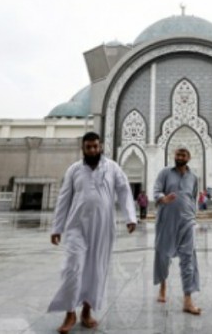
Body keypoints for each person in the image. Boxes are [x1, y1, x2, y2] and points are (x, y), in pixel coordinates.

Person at [47, 132, 137, 334]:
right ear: (83, 148)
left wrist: (130, 217)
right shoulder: (74, 170)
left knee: (96, 270)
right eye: (89, 147)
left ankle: (86, 311)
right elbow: (64, 199)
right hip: (76, 227)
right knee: (72, 268)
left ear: (101, 146)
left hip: (103, 228)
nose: (93, 150)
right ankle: (70, 313)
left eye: (96, 146)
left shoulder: (112, 168)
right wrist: (57, 228)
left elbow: (124, 190)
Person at [153, 146, 201, 315]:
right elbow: (156, 191)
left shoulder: (193, 177)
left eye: (183, 154)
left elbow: (193, 197)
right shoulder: (165, 173)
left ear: (189, 157)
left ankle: (188, 299)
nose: (180, 156)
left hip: (187, 222)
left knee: (188, 259)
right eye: (178, 154)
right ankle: (163, 285)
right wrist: (163, 198)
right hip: (167, 221)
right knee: (163, 256)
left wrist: (194, 216)